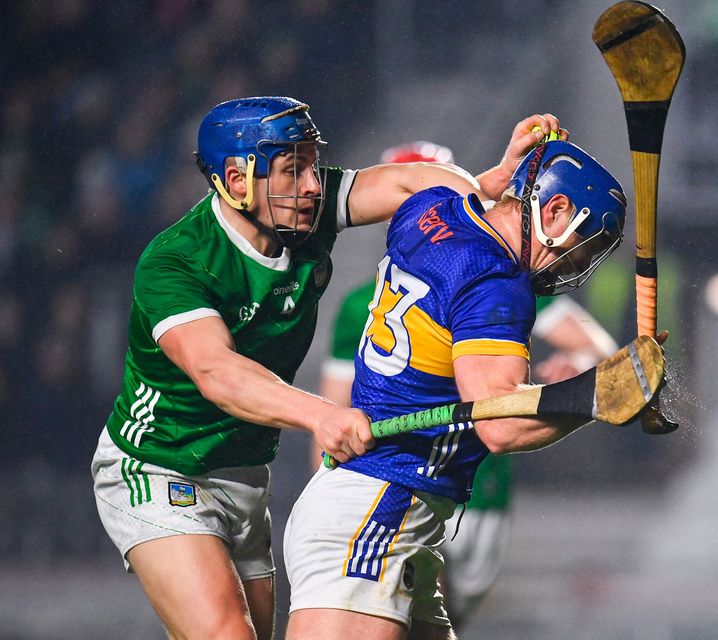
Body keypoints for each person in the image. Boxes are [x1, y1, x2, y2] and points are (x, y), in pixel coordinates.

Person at [90, 94, 564, 640]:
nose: (315, 184)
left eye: (314, 163)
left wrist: (491, 187)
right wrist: (321, 415)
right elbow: (217, 372)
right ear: (236, 180)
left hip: (244, 475)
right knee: (226, 633)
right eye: (293, 169)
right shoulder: (175, 262)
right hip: (158, 466)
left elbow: (414, 183)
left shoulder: (302, 211)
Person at [284, 136, 633, 640]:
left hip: (372, 503)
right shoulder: (496, 282)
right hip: (381, 503)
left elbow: (411, 180)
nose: (580, 264)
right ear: (554, 209)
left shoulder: (429, 211)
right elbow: (503, 425)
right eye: (585, 243)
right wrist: (599, 397)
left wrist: (494, 178)